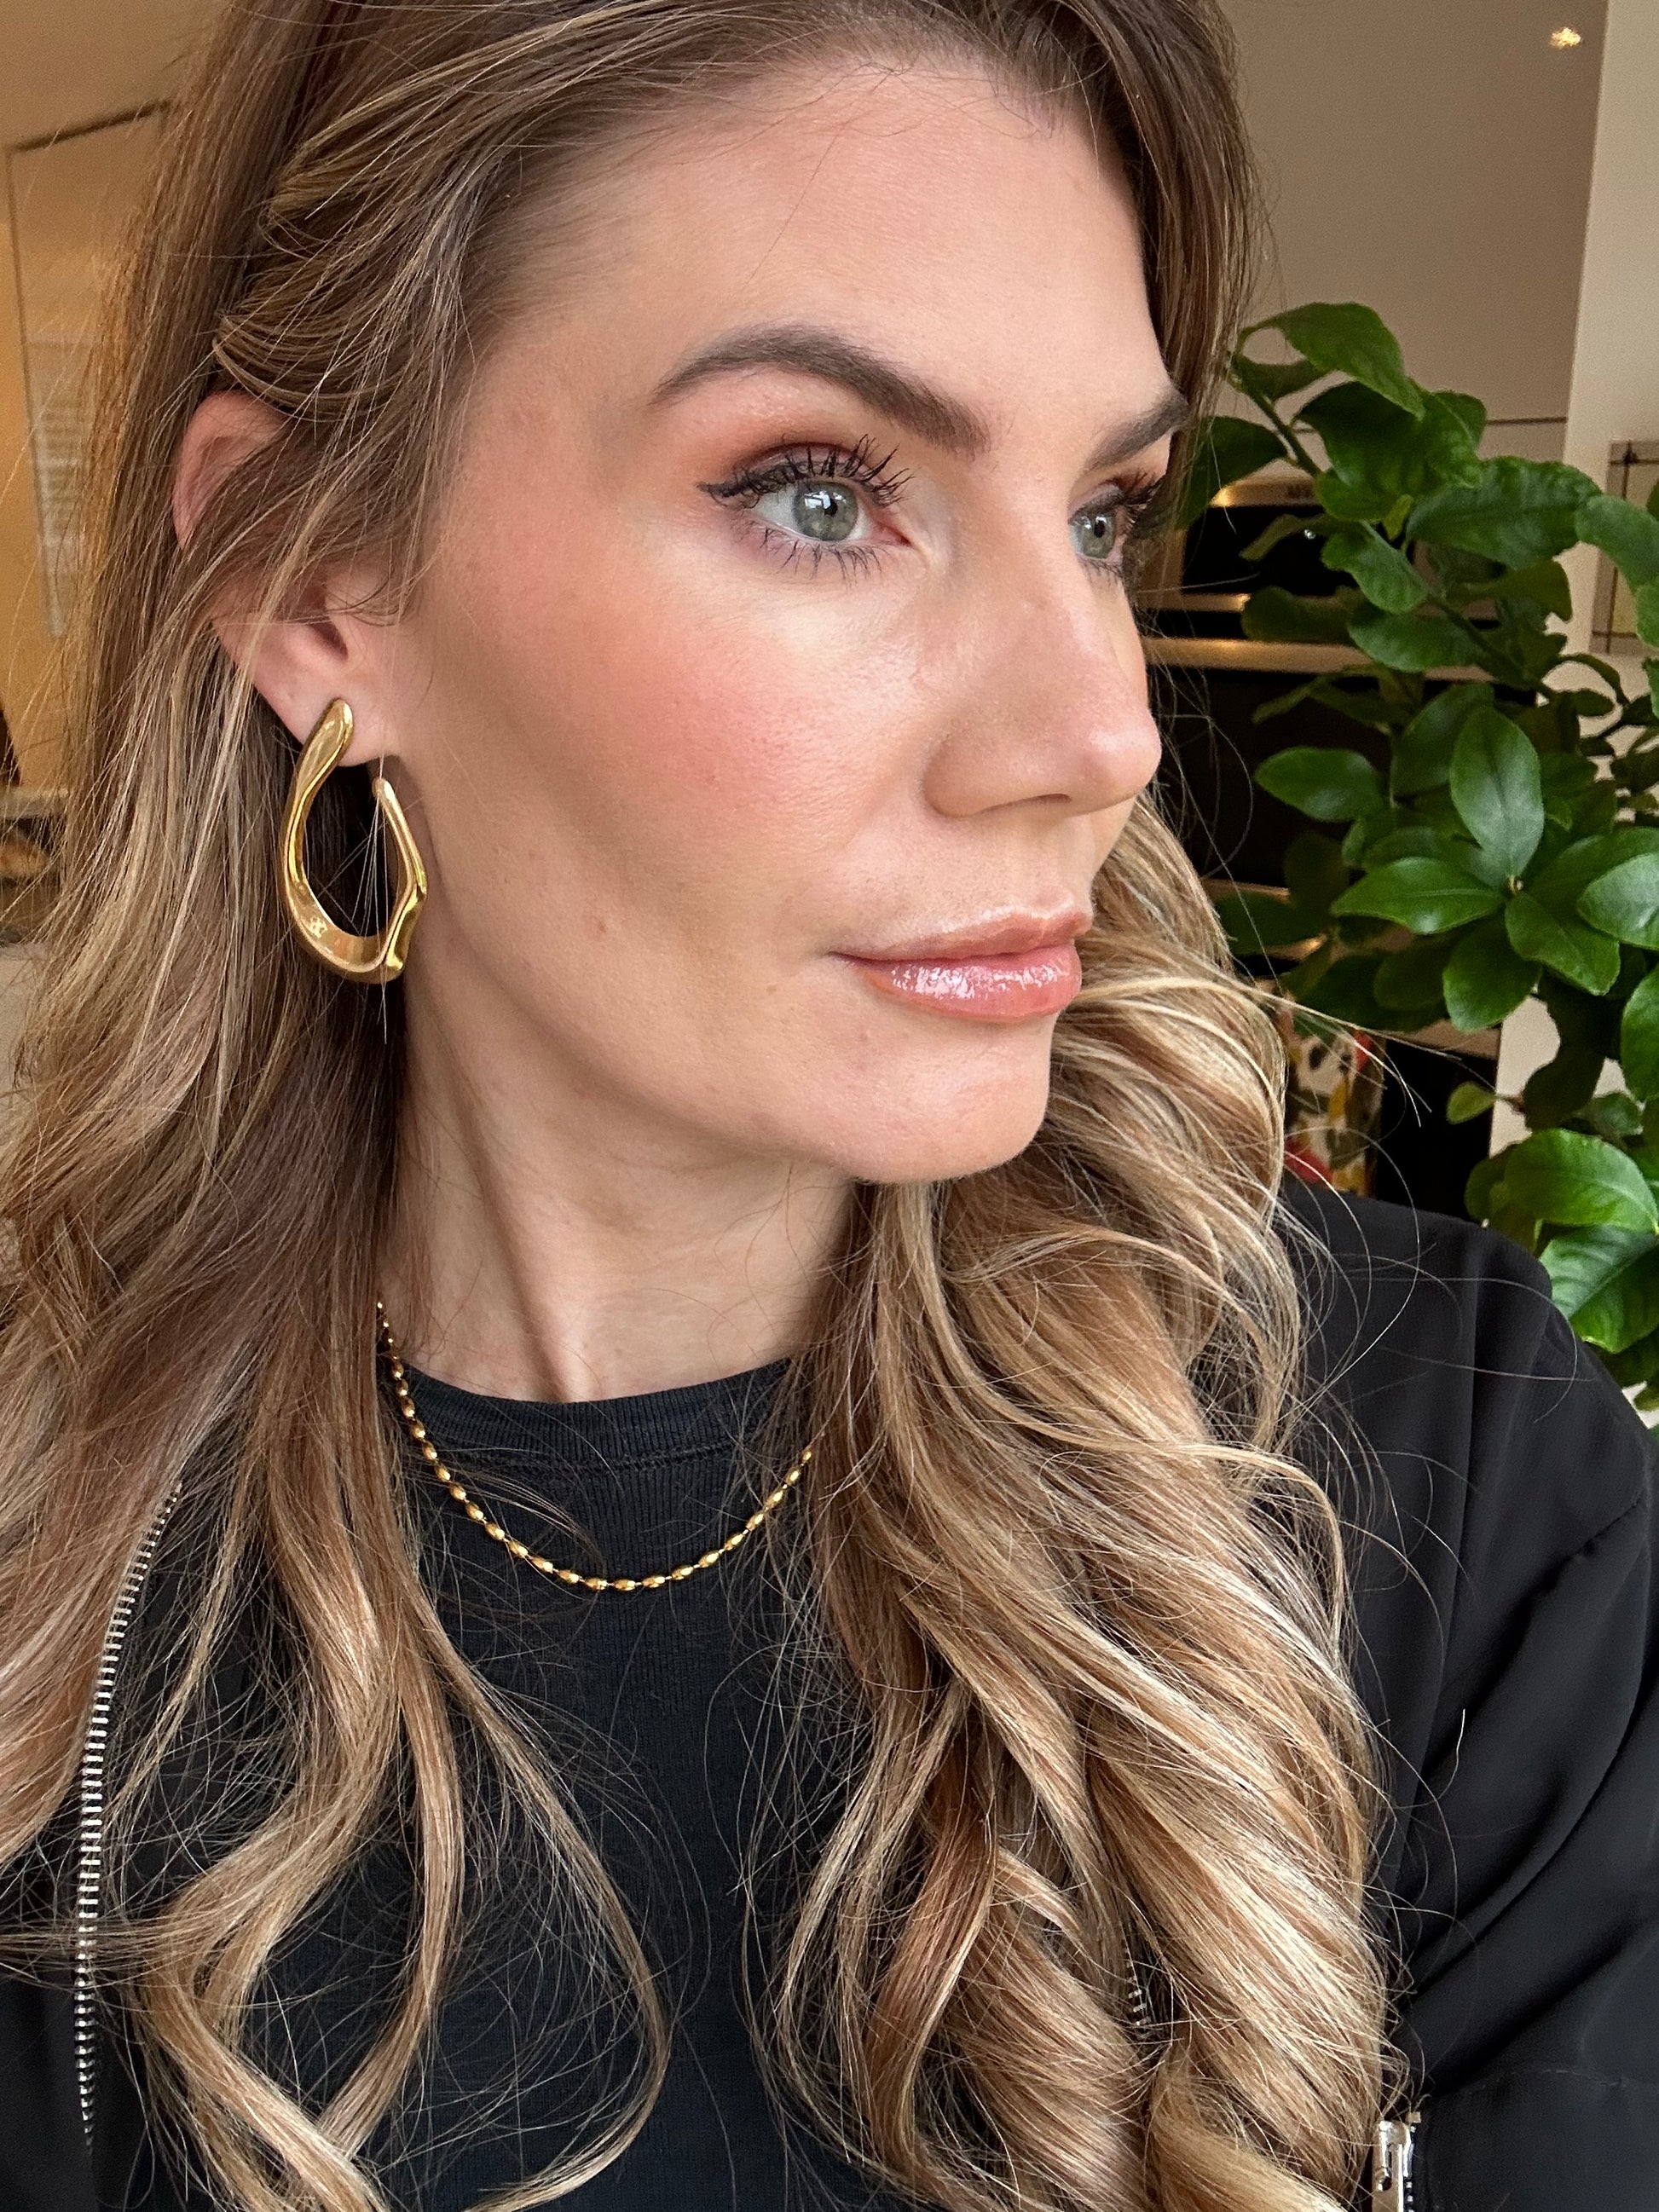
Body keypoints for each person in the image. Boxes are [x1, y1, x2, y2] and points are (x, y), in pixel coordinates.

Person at [0, 3, 1653, 2209]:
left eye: (1098, 511)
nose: (1097, 730)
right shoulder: (54, 1578)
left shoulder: (1442, 1467)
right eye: (817, 491)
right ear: (310, 579)